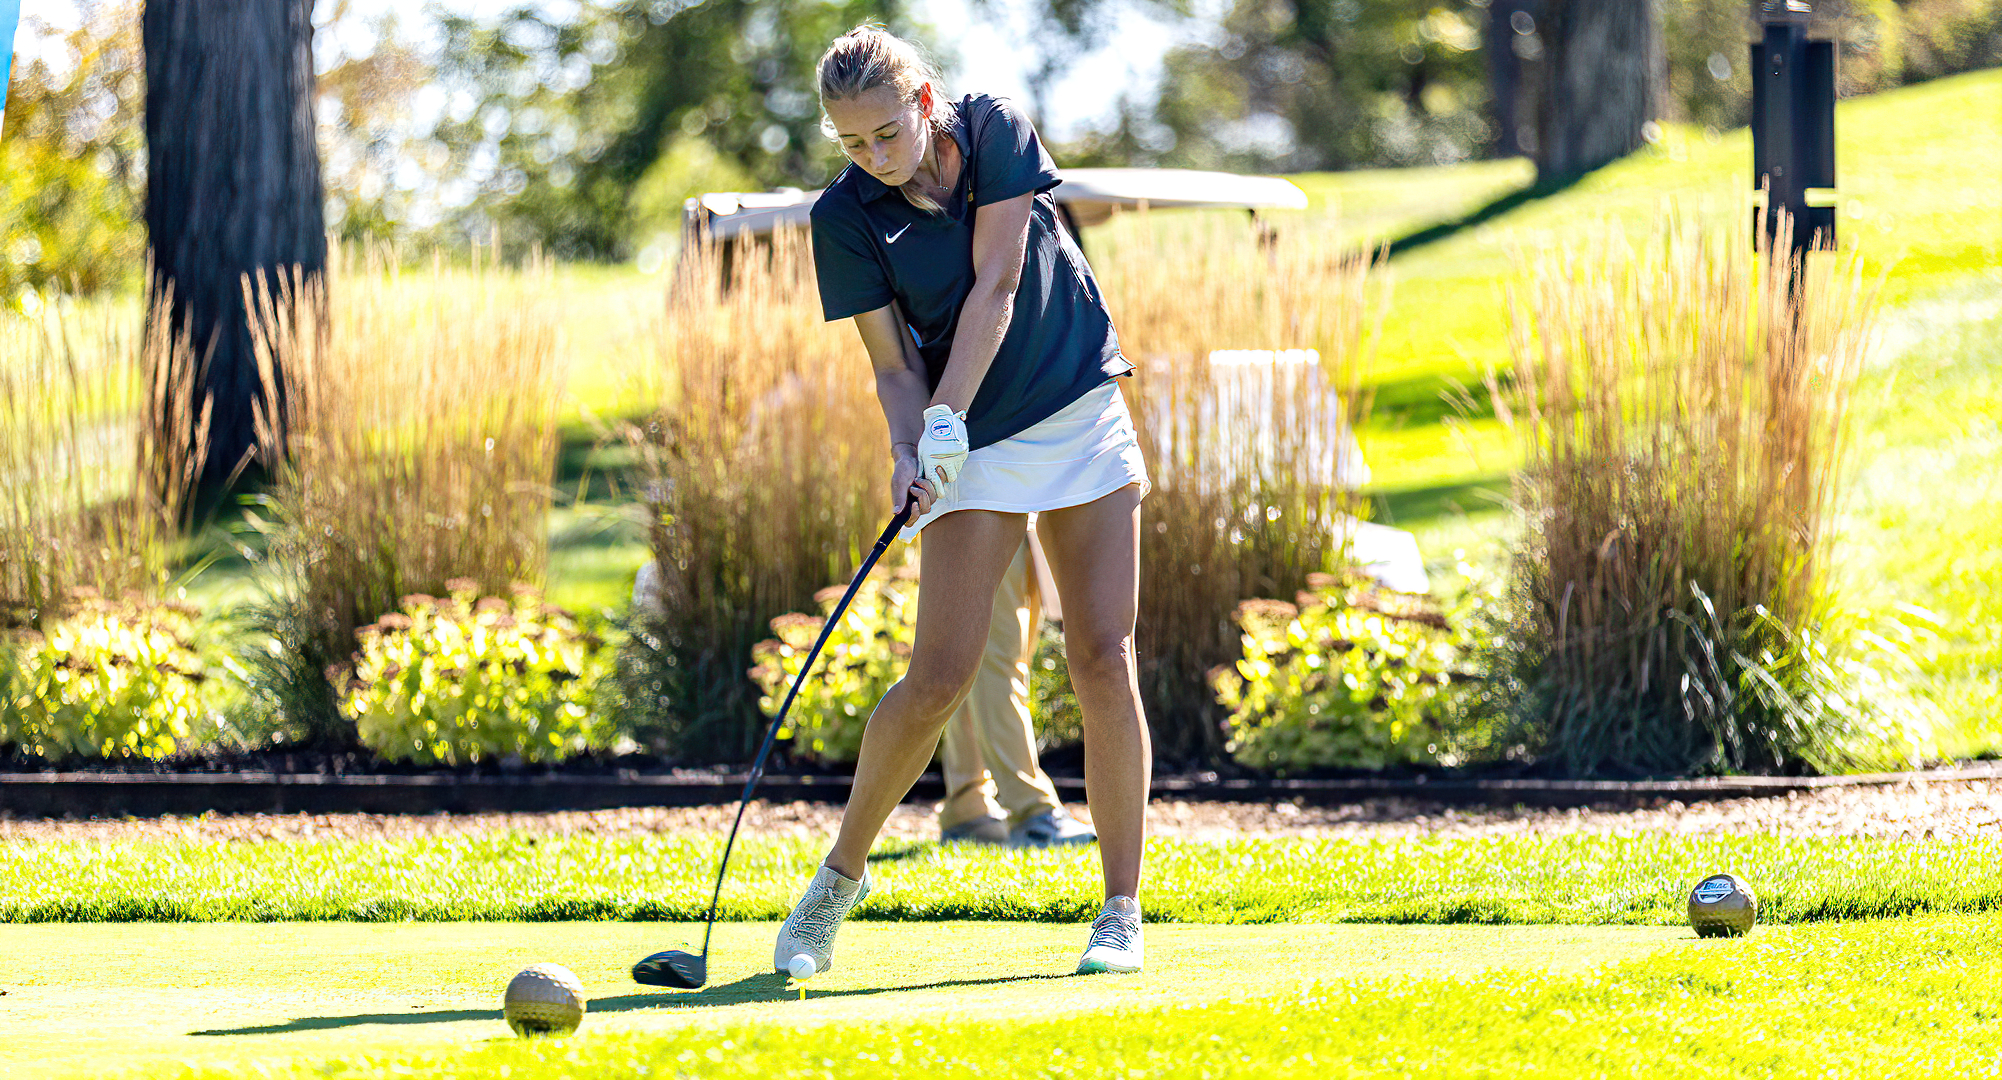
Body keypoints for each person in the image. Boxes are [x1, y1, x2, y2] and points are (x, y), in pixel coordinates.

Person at [775, 22, 1152, 977]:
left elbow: (998, 284)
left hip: (1073, 406)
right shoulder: (846, 217)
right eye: (851, 143)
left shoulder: (995, 131)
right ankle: (833, 887)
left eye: (887, 134)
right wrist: (914, 447)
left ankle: (1120, 911)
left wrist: (944, 417)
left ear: (925, 102)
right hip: (968, 438)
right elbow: (893, 363)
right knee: (939, 674)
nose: (874, 157)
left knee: (1104, 655)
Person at [936, 526, 1097, 848]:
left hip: (1030, 509)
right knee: (994, 659)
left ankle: (968, 805)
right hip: (990, 506)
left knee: (981, 659)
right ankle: (1031, 811)